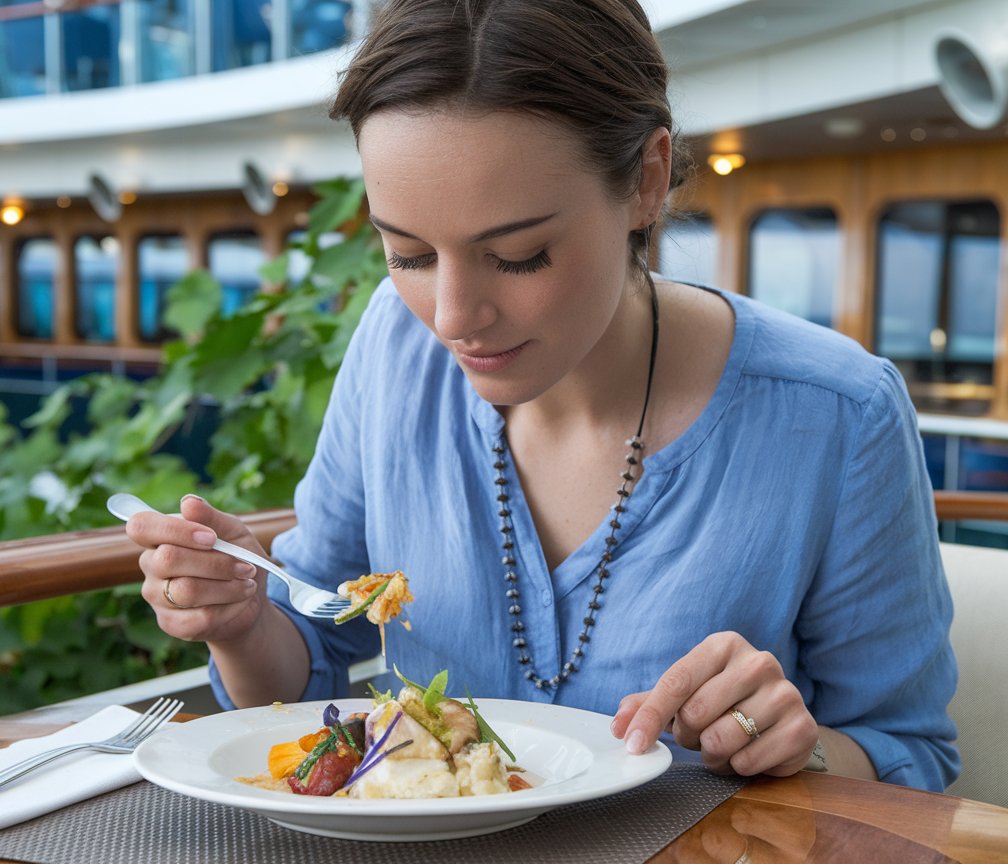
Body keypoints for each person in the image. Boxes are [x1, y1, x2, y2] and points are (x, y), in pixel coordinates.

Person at [125, 0, 959, 791]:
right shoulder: (394, 343)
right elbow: (311, 648)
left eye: (519, 254)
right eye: (409, 254)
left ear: (645, 180)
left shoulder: (838, 415)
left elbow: (910, 753)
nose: (453, 318)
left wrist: (798, 748)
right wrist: (239, 622)